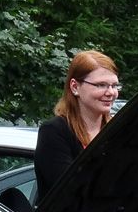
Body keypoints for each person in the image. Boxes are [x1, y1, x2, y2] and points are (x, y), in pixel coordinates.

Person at [35, 50, 119, 198]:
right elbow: (70, 193)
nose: (111, 92)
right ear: (75, 87)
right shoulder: (54, 131)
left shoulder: (119, 130)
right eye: (101, 85)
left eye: (114, 85)